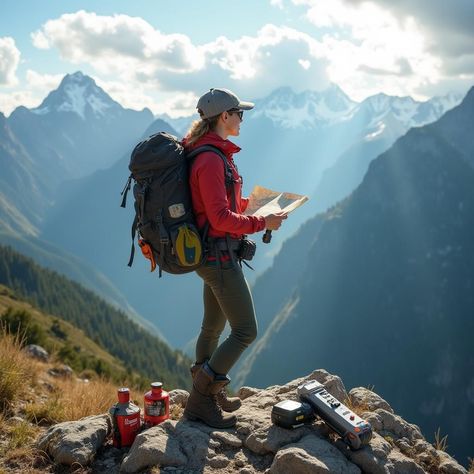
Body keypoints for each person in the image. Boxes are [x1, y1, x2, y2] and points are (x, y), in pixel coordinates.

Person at [182, 88, 287, 428]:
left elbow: (223, 208)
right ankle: (200, 399)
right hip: (218, 257)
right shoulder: (212, 158)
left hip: (210, 254)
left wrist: (255, 207)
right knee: (245, 331)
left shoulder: (210, 153)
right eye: (239, 113)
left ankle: (208, 390)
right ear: (223, 117)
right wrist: (262, 223)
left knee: (212, 327)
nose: (243, 118)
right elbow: (217, 218)